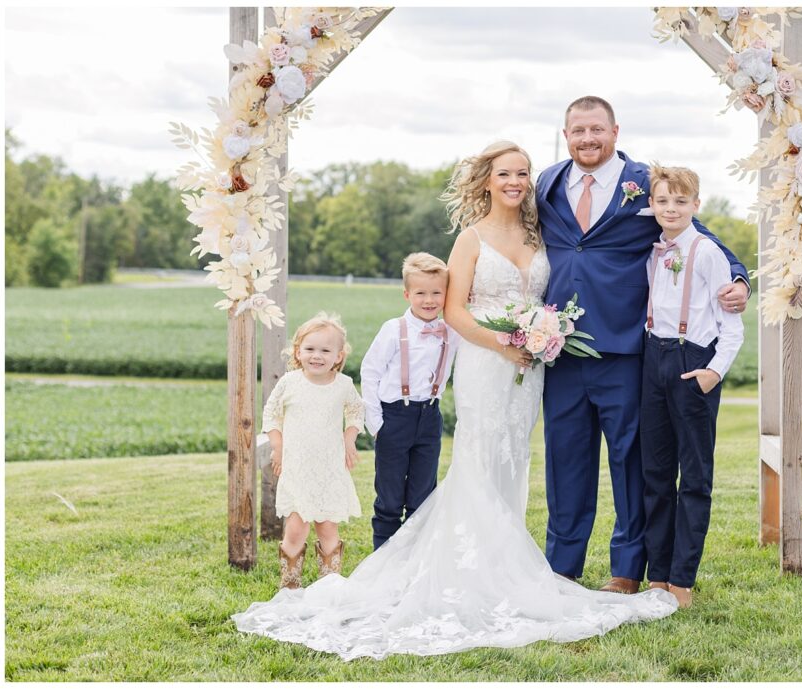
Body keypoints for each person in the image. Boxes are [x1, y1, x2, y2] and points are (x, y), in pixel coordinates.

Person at [232, 141, 676, 660]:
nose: (515, 181)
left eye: (523, 173)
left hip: (530, 368)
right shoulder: (470, 239)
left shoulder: (539, 232)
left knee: (515, 457)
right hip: (488, 364)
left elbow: (547, 294)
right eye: (505, 173)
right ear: (486, 179)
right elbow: (454, 311)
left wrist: (536, 339)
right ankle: (469, 568)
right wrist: (504, 344)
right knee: (478, 456)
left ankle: (503, 563)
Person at [536, 96, 750, 594]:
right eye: (577, 131)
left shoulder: (646, 186)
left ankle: (626, 570)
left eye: (596, 129)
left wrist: (737, 278)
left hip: (628, 347)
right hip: (560, 349)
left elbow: (702, 235)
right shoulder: (546, 183)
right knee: (565, 460)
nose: (587, 139)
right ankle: (561, 569)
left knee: (632, 461)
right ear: (565, 134)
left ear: (614, 130)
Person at [640, 165, 744, 609]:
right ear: (652, 205)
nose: (671, 209)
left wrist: (712, 372)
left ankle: (683, 578)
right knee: (656, 475)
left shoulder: (706, 252)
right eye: (663, 201)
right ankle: (658, 576)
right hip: (653, 359)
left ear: (696, 206)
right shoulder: (651, 248)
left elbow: (732, 328)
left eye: (681, 202)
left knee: (695, 477)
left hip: (692, 364)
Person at [359, 252, 461, 550]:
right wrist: (376, 423)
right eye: (420, 293)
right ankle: (383, 559)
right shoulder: (393, 330)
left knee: (423, 496)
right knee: (390, 496)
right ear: (407, 294)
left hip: (429, 417)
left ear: (446, 295)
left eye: (436, 293)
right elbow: (370, 371)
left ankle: (414, 560)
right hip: (394, 418)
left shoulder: (451, 332)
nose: (429, 300)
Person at [263, 312, 365, 589]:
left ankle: (328, 585)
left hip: (329, 468)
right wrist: (277, 445)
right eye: (309, 349)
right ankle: (290, 583)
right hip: (298, 467)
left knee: (328, 526)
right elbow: (271, 413)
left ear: (338, 355)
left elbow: (356, 411)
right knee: (296, 528)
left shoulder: (343, 385)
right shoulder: (290, 382)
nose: (316, 355)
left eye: (325, 350)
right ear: (298, 351)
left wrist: (350, 435)